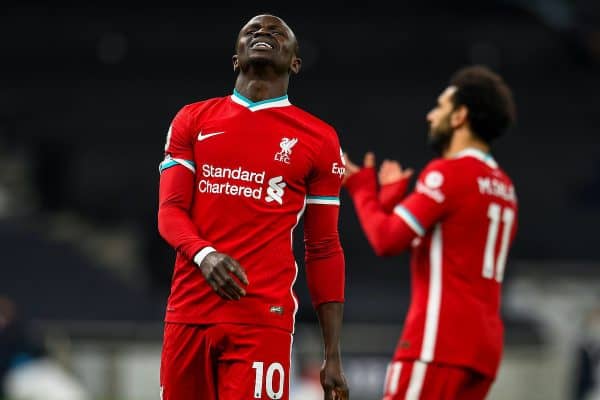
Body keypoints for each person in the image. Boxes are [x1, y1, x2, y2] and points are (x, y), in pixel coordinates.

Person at [157, 14, 349, 400]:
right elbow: (170, 211)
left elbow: (324, 247)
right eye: (253, 31)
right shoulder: (192, 119)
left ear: (295, 62)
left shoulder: (319, 138)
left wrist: (333, 354)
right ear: (235, 59)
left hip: (263, 320)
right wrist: (205, 256)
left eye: (277, 32)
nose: (263, 33)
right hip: (188, 314)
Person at [343, 65, 518, 399]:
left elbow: (387, 240)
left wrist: (362, 190)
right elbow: (448, 248)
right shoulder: (505, 188)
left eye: (440, 106)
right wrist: (391, 202)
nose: (430, 115)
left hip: (438, 341)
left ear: (459, 116)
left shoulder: (448, 174)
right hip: (484, 349)